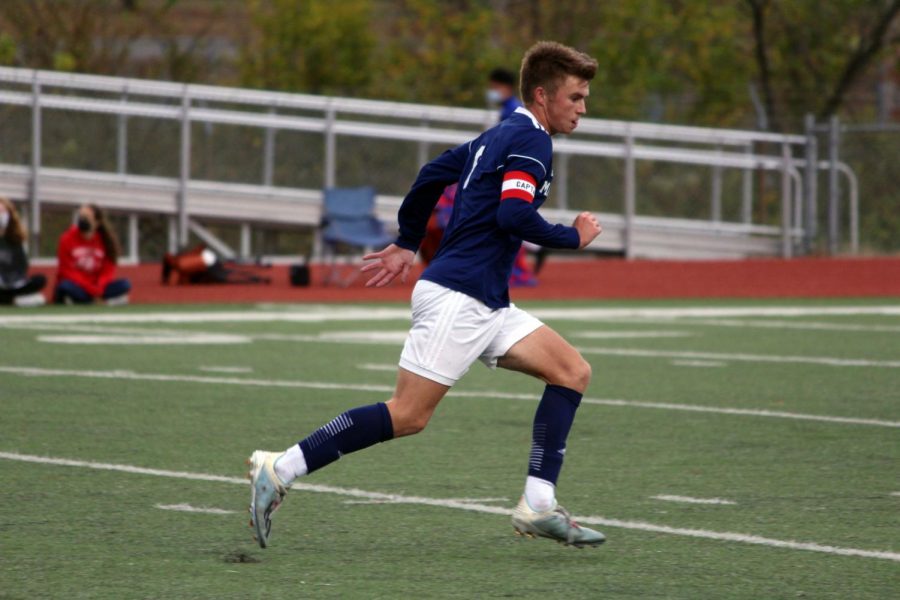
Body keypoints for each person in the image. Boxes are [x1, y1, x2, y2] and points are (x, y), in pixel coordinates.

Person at [247, 41, 604, 548]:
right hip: (460, 297)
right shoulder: (532, 141)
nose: (583, 108)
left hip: (484, 298)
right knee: (408, 415)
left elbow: (432, 173)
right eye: (575, 97)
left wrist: (407, 242)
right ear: (543, 95)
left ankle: (539, 505)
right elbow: (512, 215)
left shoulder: (499, 134)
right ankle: (280, 468)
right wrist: (573, 235)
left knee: (572, 371)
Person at [54, 204, 131, 305]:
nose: (82, 220)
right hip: (78, 286)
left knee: (125, 284)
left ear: (97, 222)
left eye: (86, 217)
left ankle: (86, 301)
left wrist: (99, 288)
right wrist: (90, 289)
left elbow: (108, 271)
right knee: (64, 287)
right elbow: (67, 271)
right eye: (80, 217)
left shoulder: (106, 241)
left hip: (98, 287)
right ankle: (99, 301)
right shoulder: (66, 238)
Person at [0, 197, 46, 306]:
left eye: (3, 212)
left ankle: (10, 299)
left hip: (15, 283)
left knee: (40, 279)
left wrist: (15, 280)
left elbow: (22, 266)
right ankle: (15, 300)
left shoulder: (17, 239)